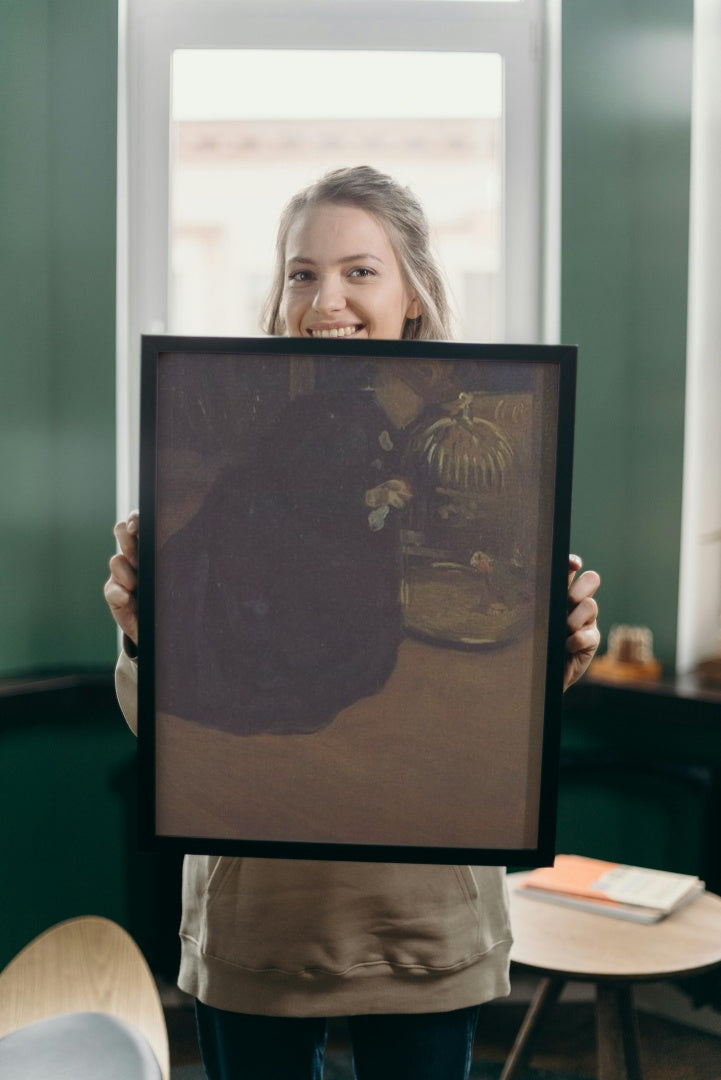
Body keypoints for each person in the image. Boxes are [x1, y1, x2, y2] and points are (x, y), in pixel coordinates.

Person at [105, 166, 601, 1080]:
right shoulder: (252, 451)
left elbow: (492, 730)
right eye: (301, 272)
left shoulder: (456, 444)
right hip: (258, 924)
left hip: (424, 923)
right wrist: (147, 635)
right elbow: (167, 730)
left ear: (412, 292)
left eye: (359, 271)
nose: (324, 298)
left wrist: (554, 658)